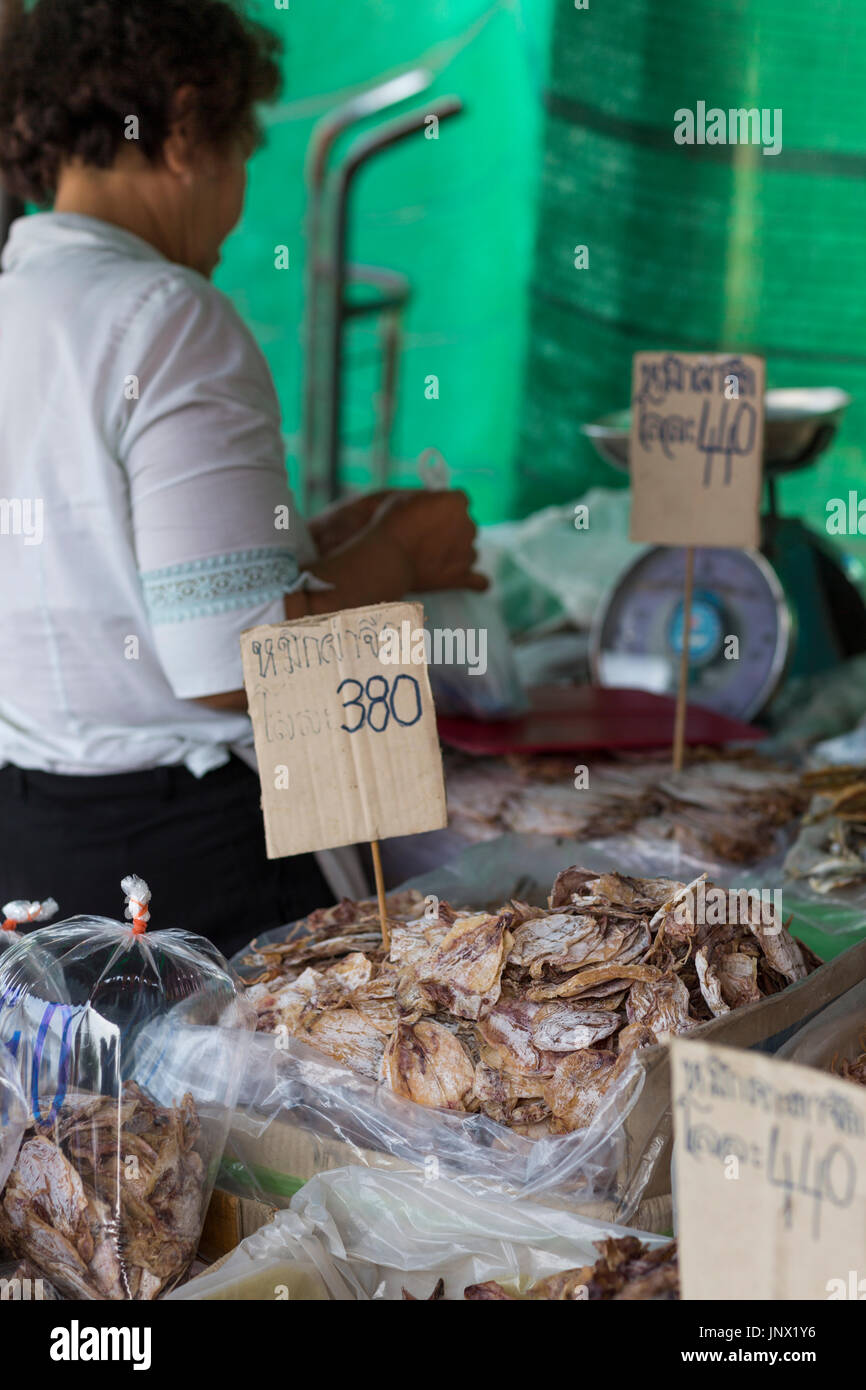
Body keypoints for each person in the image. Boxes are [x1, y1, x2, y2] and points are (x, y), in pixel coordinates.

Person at [0, 0, 485, 953]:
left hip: (34, 854)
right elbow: (236, 665)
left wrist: (324, 541)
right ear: (183, 130)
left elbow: (113, 581)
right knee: (241, 1105)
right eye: (241, 157)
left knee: (87, 1107)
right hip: (189, 879)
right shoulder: (168, 317)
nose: (236, 208)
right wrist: (400, 554)